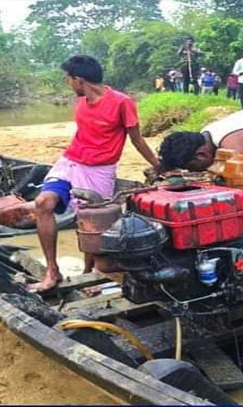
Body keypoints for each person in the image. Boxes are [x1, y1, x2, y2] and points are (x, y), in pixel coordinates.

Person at [29, 55, 160, 292]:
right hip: (70, 162)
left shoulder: (122, 102)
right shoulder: (80, 102)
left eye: (68, 79)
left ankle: (90, 273)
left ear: (78, 79)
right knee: (42, 203)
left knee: (91, 223)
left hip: (99, 170)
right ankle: (52, 271)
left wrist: (158, 165)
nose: (67, 83)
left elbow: (137, 140)